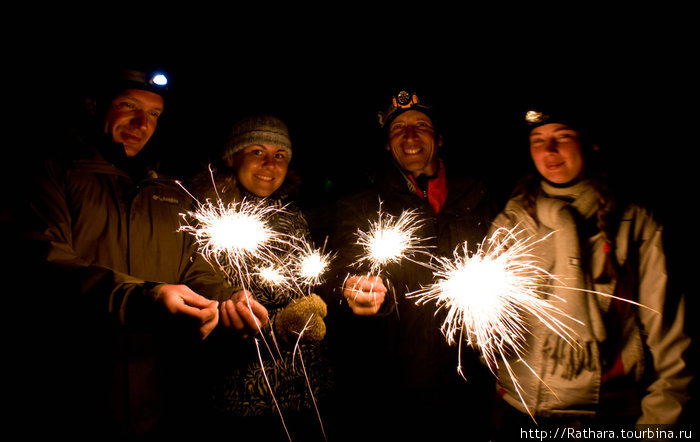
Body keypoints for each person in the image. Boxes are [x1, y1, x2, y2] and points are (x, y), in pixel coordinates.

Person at [14, 66, 267, 439]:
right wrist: (143, 296)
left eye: (154, 114)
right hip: (72, 392)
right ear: (93, 105)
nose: (141, 123)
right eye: (129, 105)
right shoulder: (52, 173)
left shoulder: (167, 189)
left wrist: (228, 296)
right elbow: (44, 265)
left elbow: (194, 263)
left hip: (156, 395)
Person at [488, 103, 692, 439]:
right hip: (520, 415)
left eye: (562, 136)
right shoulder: (513, 220)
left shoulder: (633, 223)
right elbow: (485, 328)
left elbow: (672, 344)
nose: (549, 150)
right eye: (537, 139)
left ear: (590, 142)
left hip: (605, 418)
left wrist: (657, 428)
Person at [323, 90, 499, 441]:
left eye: (421, 125)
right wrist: (351, 287)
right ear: (387, 145)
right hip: (395, 391)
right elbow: (336, 269)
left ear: (440, 138)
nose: (410, 135)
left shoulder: (479, 197)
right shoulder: (361, 203)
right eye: (398, 128)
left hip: (470, 386)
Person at [188, 114, 331, 441]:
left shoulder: (293, 213)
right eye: (257, 151)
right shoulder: (208, 218)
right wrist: (279, 327)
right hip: (239, 400)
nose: (270, 163)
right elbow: (208, 304)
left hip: (305, 391)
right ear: (231, 157)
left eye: (280, 155)